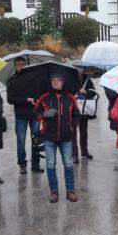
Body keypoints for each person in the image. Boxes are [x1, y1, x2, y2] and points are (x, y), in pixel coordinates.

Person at [34, 74, 81, 203]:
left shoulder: (70, 97)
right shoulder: (44, 97)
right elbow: (35, 113)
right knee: (50, 165)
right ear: (50, 82)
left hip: (66, 138)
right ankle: (54, 192)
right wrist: (44, 114)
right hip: (49, 138)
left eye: (58, 80)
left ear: (62, 82)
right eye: (53, 80)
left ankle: (70, 191)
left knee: (69, 165)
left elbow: (77, 114)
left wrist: (73, 124)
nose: (55, 82)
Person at [7, 57, 43, 174]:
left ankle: (35, 164)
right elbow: (10, 99)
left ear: (26, 64)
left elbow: (40, 94)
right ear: (14, 66)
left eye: (22, 64)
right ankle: (22, 164)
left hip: (34, 113)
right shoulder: (12, 80)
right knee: (21, 141)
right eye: (18, 64)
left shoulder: (34, 78)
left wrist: (36, 100)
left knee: (36, 140)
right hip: (20, 115)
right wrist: (25, 99)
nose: (20, 66)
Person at [73, 71, 97, 162]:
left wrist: (86, 91)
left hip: (84, 109)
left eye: (81, 71)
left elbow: (93, 92)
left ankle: (84, 151)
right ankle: (74, 154)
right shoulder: (70, 79)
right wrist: (75, 92)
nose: (79, 72)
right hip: (73, 109)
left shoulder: (87, 79)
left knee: (83, 132)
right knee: (73, 133)